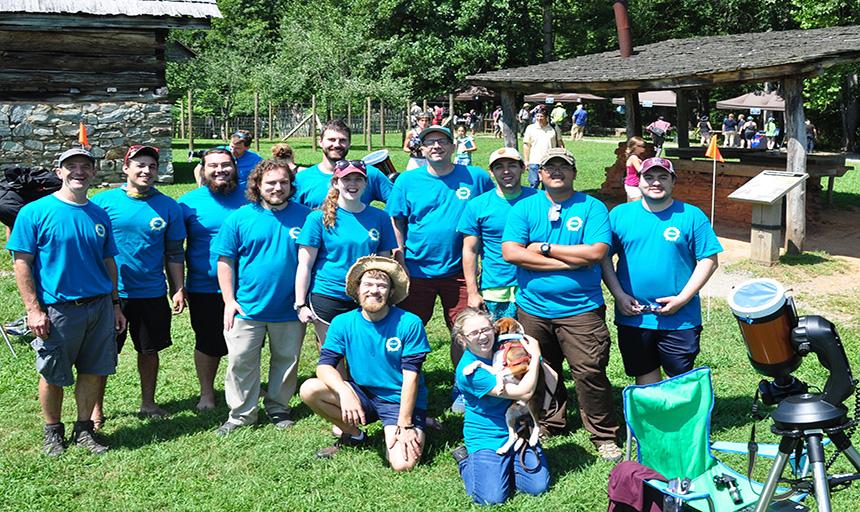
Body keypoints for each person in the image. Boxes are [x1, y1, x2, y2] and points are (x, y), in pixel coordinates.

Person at [501, 147, 622, 462]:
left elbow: (596, 253)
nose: (557, 172)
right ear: (539, 174)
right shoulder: (525, 208)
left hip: (581, 308)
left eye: (563, 167)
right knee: (541, 369)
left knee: (590, 371)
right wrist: (570, 262)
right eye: (550, 168)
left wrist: (543, 248)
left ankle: (604, 434)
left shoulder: (592, 207)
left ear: (574, 173)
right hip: (533, 308)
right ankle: (552, 422)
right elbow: (512, 253)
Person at [7, 147, 127, 456]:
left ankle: (84, 430)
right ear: (59, 172)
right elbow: (22, 262)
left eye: (85, 166)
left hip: (99, 306)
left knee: (93, 370)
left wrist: (115, 304)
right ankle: (53, 432)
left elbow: (108, 261)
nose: (79, 171)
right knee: (53, 373)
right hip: (58, 309)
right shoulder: (34, 212)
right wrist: (33, 310)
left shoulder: (99, 214)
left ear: (94, 173)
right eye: (70, 166)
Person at [386, 125, 494, 406]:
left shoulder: (476, 177)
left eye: (443, 141)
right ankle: (403, 384)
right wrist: (401, 261)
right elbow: (396, 221)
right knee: (407, 329)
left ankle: (464, 387)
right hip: (416, 271)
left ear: (453, 146)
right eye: (430, 142)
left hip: (460, 272)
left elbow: (495, 207)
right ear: (420, 149)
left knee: (465, 332)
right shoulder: (407, 181)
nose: (436, 146)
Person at [299, 256, 431, 471]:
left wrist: (406, 423)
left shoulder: (409, 323)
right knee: (309, 389)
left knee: (402, 465)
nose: (374, 290)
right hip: (363, 393)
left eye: (382, 285)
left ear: (391, 293)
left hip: (398, 399)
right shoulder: (342, 322)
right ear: (357, 289)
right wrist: (344, 391)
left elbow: (411, 378)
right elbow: (324, 366)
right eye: (368, 284)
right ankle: (354, 435)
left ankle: (417, 422)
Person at [211, 158, 311, 434]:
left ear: (291, 185)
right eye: (271, 183)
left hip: (290, 308)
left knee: (286, 361)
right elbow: (225, 261)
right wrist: (229, 301)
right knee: (241, 361)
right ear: (257, 185)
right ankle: (241, 414)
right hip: (248, 307)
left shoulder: (307, 217)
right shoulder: (240, 218)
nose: (277, 188)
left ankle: (278, 407)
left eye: (283, 182)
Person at [601, 157, 721, 385]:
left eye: (663, 177)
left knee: (678, 379)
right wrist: (619, 295)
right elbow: (604, 257)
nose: (656, 183)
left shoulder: (691, 215)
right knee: (645, 377)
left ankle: (678, 419)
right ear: (639, 181)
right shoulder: (620, 214)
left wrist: (682, 299)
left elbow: (709, 260)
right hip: (634, 316)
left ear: (673, 181)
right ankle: (652, 419)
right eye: (649, 177)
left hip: (680, 317)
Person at [91, 145, 186, 420]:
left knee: (149, 349)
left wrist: (177, 288)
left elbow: (174, 252)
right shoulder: (104, 203)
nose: (146, 171)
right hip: (111, 294)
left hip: (152, 292)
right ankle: (96, 410)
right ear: (126, 168)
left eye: (152, 166)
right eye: (140, 165)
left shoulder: (169, 206)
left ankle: (148, 402)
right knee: (104, 354)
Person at [295, 160, 398, 348]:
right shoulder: (317, 218)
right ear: (335, 182)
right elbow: (305, 264)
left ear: (366, 184)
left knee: (362, 353)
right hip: (328, 294)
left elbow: (384, 263)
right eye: (346, 179)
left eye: (358, 179)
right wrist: (301, 304)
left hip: (366, 294)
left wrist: (386, 297)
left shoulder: (380, 217)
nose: (353, 184)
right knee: (332, 356)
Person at [452, 308, 549, 505]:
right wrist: (536, 356)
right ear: (463, 339)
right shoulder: (469, 371)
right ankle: (465, 461)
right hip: (487, 436)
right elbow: (525, 392)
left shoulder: (506, 346)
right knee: (491, 499)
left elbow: (551, 374)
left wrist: (542, 407)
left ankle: (506, 465)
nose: (483, 336)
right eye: (474, 333)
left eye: (486, 329)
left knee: (537, 488)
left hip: (520, 428)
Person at [177, 148, 248, 411]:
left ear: (235, 167)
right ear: (203, 170)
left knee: (248, 341)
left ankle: (248, 385)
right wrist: (178, 287)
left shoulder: (253, 198)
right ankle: (207, 392)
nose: (220, 170)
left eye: (226, 165)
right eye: (213, 166)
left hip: (249, 286)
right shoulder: (187, 203)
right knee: (208, 341)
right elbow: (174, 248)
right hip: (204, 287)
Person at [458, 147, 538, 320]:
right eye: (499, 167)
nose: (506, 171)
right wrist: (472, 292)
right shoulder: (477, 205)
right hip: (495, 288)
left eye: (512, 165)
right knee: (497, 343)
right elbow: (469, 250)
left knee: (534, 343)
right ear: (491, 172)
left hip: (535, 284)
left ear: (523, 167)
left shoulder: (541, 199)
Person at [295, 119, 392, 208]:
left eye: (342, 140)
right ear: (320, 142)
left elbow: (398, 203)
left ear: (349, 143)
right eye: (331, 140)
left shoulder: (368, 174)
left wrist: (381, 221)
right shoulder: (301, 179)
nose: (337, 144)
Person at [193, 130, 263, 188]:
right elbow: (198, 169)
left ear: (247, 148)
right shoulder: (219, 151)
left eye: (237, 148)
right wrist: (201, 186)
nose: (232, 150)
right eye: (231, 146)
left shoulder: (255, 159)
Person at [523, 106, 564, 188]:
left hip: (549, 160)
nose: (539, 118)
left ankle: (546, 200)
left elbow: (560, 142)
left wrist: (562, 156)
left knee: (547, 184)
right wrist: (526, 160)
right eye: (537, 116)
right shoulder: (530, 128)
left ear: (546, 117)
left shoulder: (554, 128)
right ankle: (534, 200)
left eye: (541, 116)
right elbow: (526, 145)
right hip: (535, 161)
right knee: (534, 183)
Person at [623, 136, 646, 202]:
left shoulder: (638, 157)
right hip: (633, 184)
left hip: (636, 184)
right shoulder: (634, 157)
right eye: (642, 146)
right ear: (636, 147)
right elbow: (640, 170)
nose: (644, 148)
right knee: (637, 205)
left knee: (631, 205)